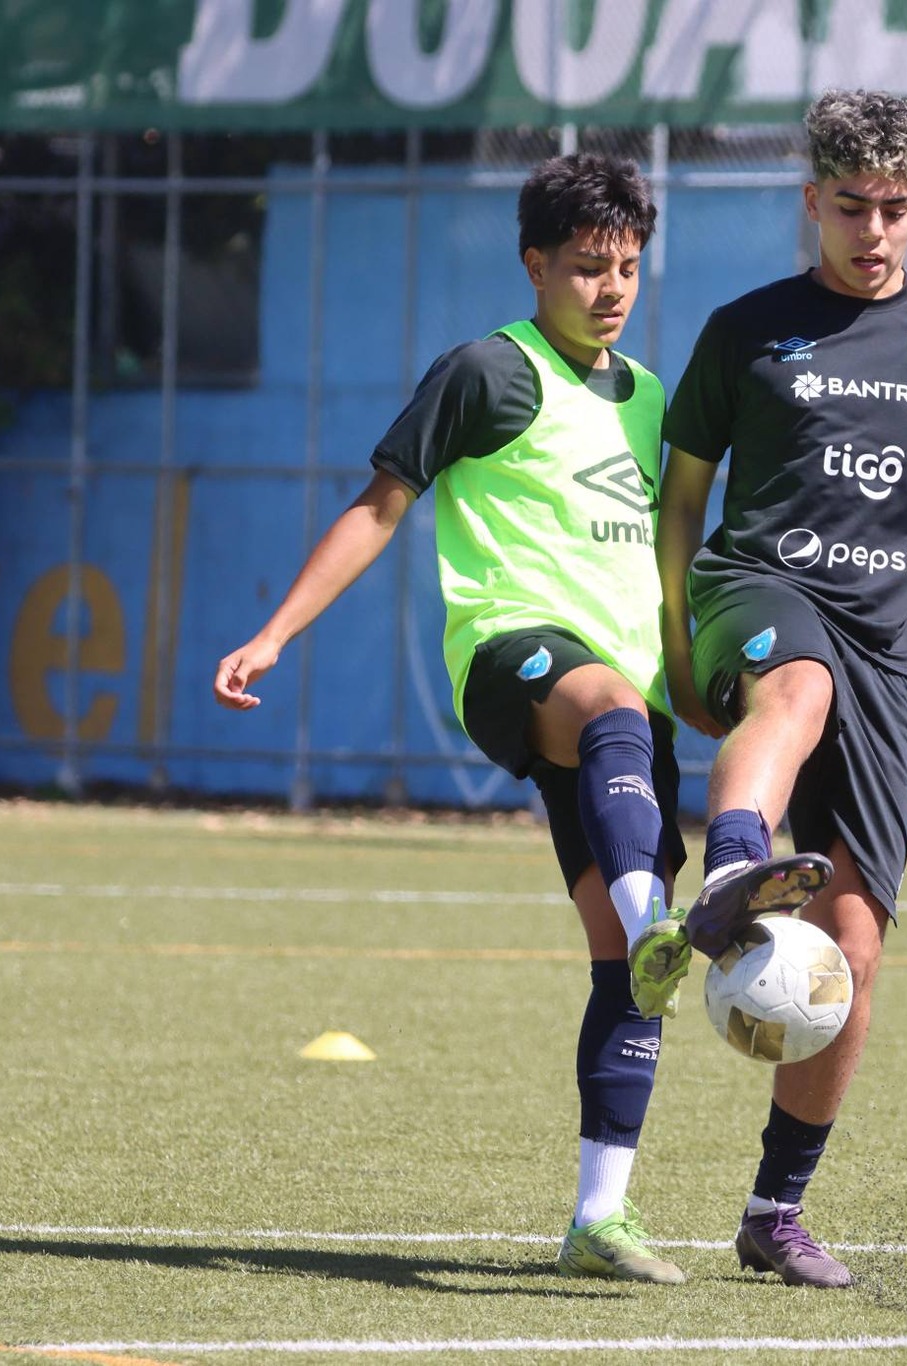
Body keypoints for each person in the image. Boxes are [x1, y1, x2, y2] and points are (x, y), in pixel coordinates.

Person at [213, 153, 696, 1280]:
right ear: (535, 265)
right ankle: (661, 914)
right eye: (586, 267)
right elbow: (380, 506)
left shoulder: (653, 397)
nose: (611, 287)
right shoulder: (490, 371)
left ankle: (598, 1215)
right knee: (614, 733)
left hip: (629, 705)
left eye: (627, 267)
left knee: (621, 965)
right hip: (513, 657)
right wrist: (275, 631)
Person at [657, 89, 907, 1286]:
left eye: (895, 209)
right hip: (757, 594)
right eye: (850, 206)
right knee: (795, 686)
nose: (872, 230)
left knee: (852, 947)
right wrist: (673, 637)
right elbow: (680, 502)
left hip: (893, 657)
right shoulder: (746, 331)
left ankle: (774, 1209)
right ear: (810, 201)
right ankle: (729, 870)